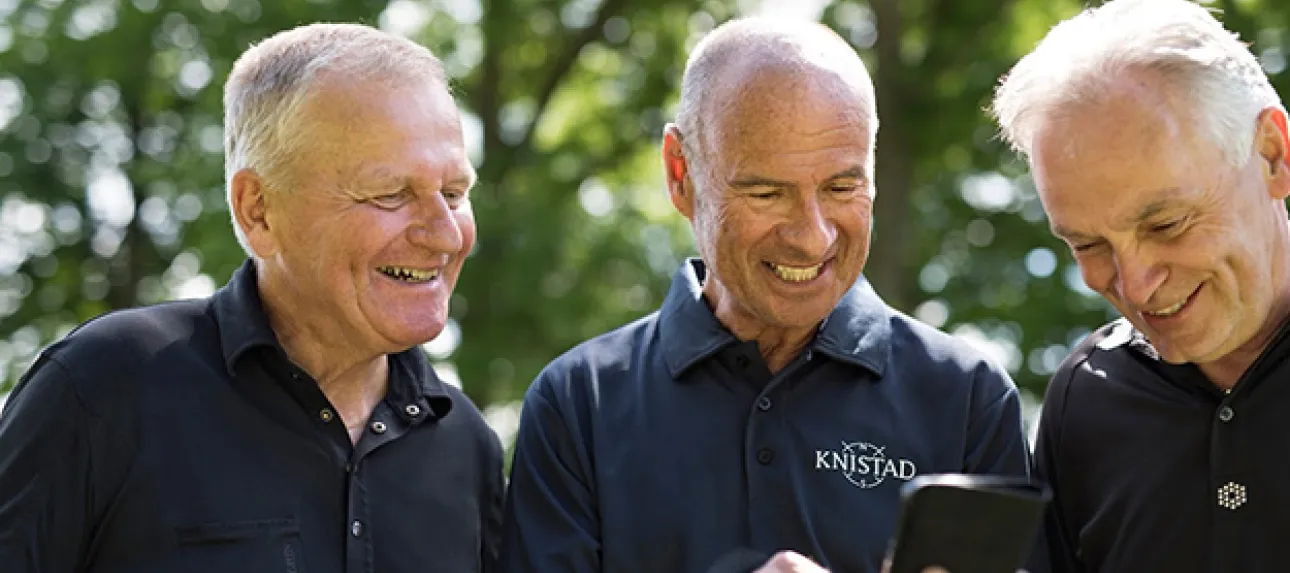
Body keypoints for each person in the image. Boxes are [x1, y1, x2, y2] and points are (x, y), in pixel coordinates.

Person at [500, 17, 1033, 573]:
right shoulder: (578, 404)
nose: (813, 236)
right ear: (681, 173)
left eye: (842, 188)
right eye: (766, 192)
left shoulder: (968, 397)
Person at [0, 23, 503, 572]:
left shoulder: (467, 446)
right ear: (257, 208)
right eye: (391, 194)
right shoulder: (103, 390)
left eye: (454, 194)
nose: (446, 234)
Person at [991, 0, 1290, 571]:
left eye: (1166, 224)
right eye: (1088, 245)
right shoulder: (1085, 399)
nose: (1135, 284)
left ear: (1272, 156)